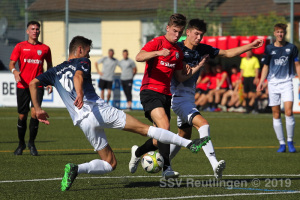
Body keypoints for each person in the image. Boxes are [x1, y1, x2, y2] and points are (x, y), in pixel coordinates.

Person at [29, 36, 210, 191]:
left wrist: (37, 108)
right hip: (99, 110)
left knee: (110, 164)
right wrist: (80, 93)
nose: (89, 55)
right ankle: (188, 144)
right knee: (144, 129)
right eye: (88, 51)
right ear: (79, 49)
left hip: (82, 121)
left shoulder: (54, 72)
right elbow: (77, 76)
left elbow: (32, 84)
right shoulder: (82, 61)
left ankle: (76, 168)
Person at [166, 18, 263, 179]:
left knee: (183, 135)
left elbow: (228, 53)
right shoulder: (178, 49)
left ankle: (163, 162)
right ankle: (214, 163)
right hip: (178, 98)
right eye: (196, 34)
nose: (198, 38)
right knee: (203, 125)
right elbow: (174, 71)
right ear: (188, 32)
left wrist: (250, 46)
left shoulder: (203, 49)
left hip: (189, 98)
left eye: (201, 35)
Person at [129, 13, 211, 179]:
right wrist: (158, 53)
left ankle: (137, 152)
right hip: (149, 91)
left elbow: (181, 77)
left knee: (158, 137)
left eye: (179, 32)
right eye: (174, 31)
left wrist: (198, 66)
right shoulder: (158, 42)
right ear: (167, 28)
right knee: (164, 127)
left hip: (166, 95)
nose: (176, 35)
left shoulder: (177, 52)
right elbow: (139, 57)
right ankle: (167, 168)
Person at [9, 20, 52, 156]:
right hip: (22, 85)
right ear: (27, 31)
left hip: (37, 85)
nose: (35, 31)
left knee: (35, 113)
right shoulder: (20, 46)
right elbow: (12, 63)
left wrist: (49, 81)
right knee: (22, 115)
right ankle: (21, 144)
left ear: (39, 31)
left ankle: (31, 143)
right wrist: (15, 72)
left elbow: (49, 66)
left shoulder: (45, 48)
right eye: (32, 29)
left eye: (37, 29)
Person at [257, 23, 300, 153]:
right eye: (278, 32)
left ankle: (290, 141)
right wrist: (261, 81)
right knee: (276, 113)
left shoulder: (292, 48)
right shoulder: (269, 48)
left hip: (287, 82)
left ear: (285, 33)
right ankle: (281, 143)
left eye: (282, 32)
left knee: (288, 112)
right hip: (273, 83)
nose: (280, 34)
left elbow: (297, 65)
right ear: (274, 33)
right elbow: (265, 66)